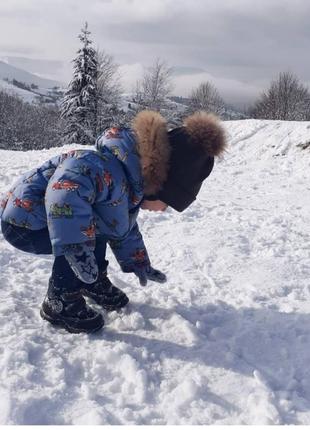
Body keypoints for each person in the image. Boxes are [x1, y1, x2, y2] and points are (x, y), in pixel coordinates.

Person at [0, 110, 226, 333]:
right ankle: (60, 301)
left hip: (48, 220)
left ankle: (91, 281)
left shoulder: (127, 182)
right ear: (161, 184)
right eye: (168, 203)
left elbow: (120, 226)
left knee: (97, 228)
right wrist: (76, 249)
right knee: (81, 236)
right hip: (24, 223)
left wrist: (138, 261)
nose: (162, 210)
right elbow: (64, 195)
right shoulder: (99, 166)